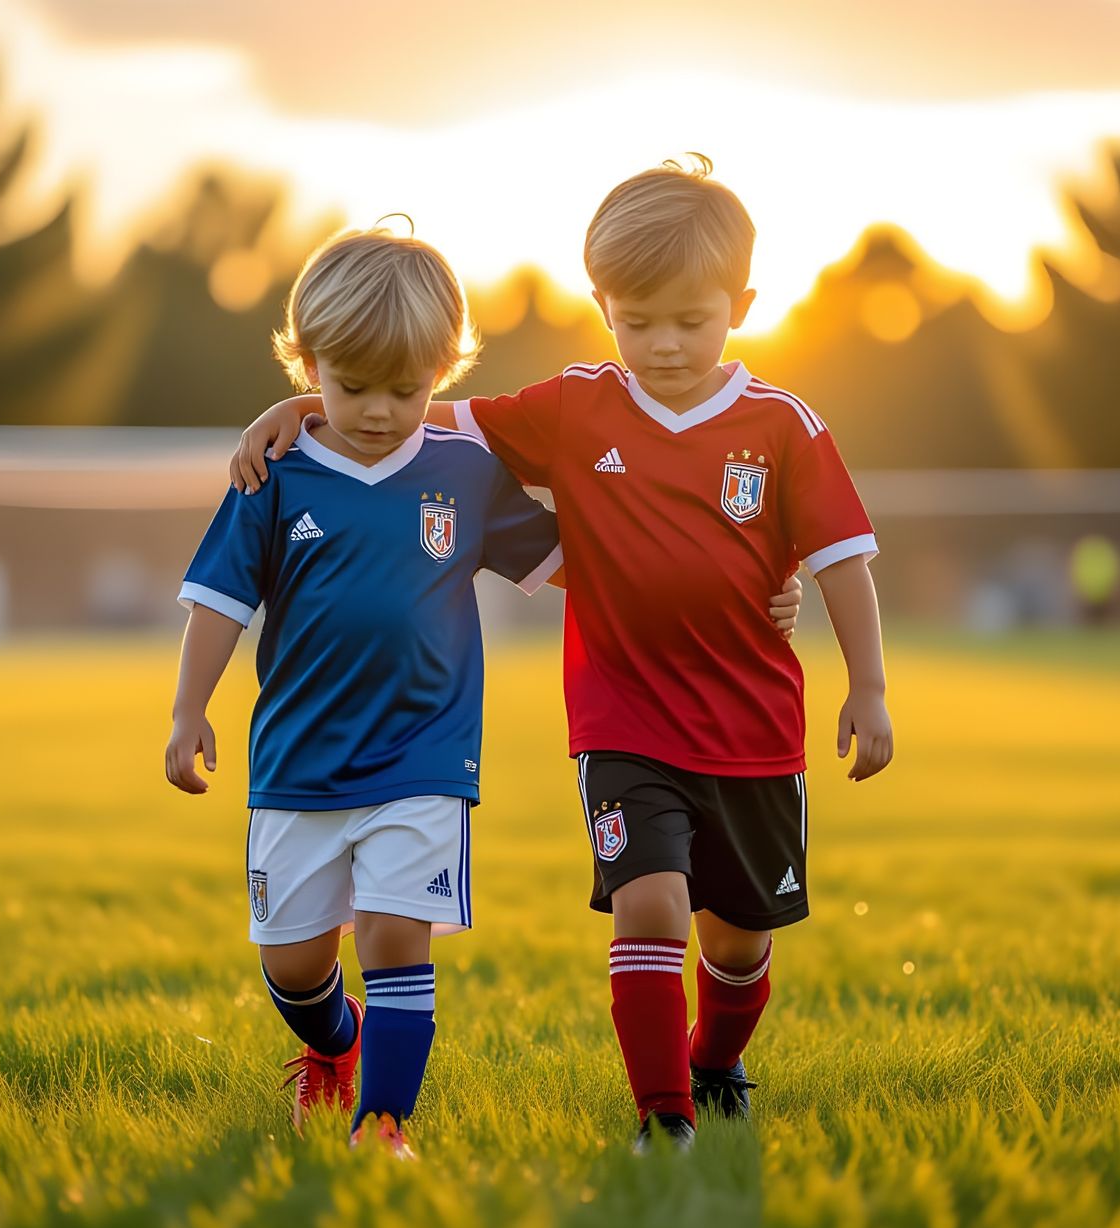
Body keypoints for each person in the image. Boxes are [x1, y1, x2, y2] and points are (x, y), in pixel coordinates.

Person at [229, 157, 888, 1151]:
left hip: (755, 727)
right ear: (603, 306)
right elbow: (414, 415)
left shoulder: (782, 426)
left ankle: (715, 1059)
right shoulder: (574, 406)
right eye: (637, 319)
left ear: (743, 306)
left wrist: (868, 686)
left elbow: (840, 557)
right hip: (623, 722)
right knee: (652, 906)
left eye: (690, 320)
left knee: (739, 943)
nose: (662, 343)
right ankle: (663, 1120)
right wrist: (299, 411)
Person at [165, 226, 563, 1158]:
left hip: (425, 755)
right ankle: (333, 1049)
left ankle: (383, 1127)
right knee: (294, 967)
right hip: (298, 763)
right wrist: (189, 712)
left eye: (406, 388)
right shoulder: (274, 473)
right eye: (350, 387)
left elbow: (570, 560)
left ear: (444, 370)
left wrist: (715, 567)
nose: (380, 410)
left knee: (395, 937)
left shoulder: (466, 473)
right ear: (309, 366)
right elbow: (220, 602)